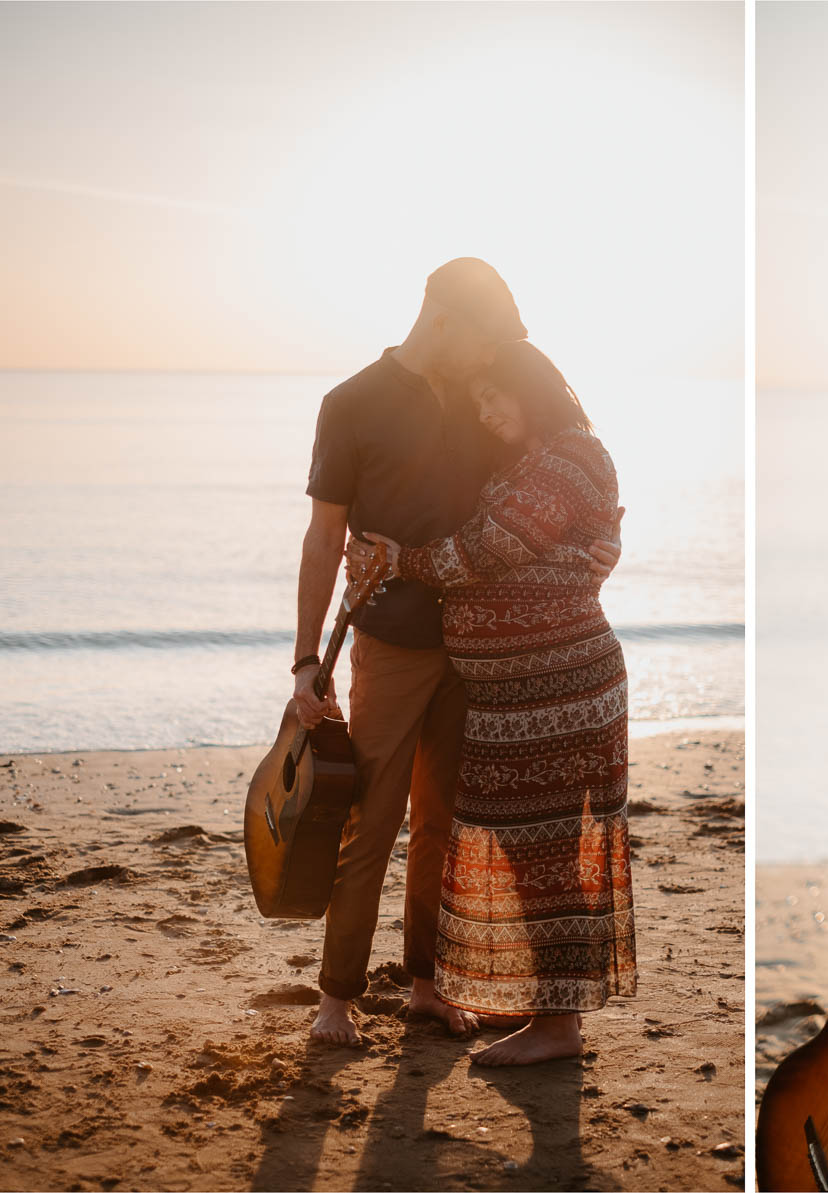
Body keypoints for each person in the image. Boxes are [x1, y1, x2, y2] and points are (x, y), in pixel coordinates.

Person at [292, 258, 620, 1046]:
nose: (489, 366)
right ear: (443, 319)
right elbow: (323, 536)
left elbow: (527, 509)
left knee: (443, 826)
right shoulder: (352, 404)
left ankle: (426, 987)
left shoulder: (485, 408)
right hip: (395, 644)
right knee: (368, 821)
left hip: (482, 660)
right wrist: (308, 662)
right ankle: (335, 999)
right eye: (485, 343)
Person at [351, 341, 633, 1066]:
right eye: (475, 400)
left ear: (530, 388)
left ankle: (558, 1026)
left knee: (547, 852)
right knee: (528, 848)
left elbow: (489, 546)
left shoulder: (569, 455)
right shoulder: (531, 460)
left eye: (493, 395)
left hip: (561, 688)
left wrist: (398, 559)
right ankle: (550, 1008)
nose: (483, 410)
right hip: (519, 693)